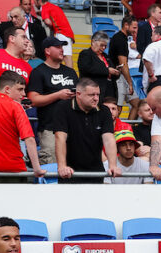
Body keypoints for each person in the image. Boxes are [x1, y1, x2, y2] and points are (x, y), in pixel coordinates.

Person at [53, 78, 118, 183]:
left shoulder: (104, 110)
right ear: (78, 94)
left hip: (96, 172)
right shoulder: (63, 107)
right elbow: (60, 137)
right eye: (91, 95)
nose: (96, 98)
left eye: (98, 94)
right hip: (69, 173)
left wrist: (113, 165)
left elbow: (109, 139)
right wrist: (62, 166)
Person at [26, 36, 77, 164]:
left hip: (73, 127)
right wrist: (58, 95)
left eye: (62, 47)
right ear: (47, 51)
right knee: (52, 165)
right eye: (58, 47)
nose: (62, 50)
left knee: (74, 165)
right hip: (50, 128)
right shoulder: (38, 72)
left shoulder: (71, 72)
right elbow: (33, 100)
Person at [77, 30, 119, 101]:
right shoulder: (86, 54)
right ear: (93, 42)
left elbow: (112, 70)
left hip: (109, 91)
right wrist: (107, 70)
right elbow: (87, 68)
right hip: (93, 91)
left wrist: (116, 72)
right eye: (102, 45)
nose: (103, 48)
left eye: (105, 46)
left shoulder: (106, 56)